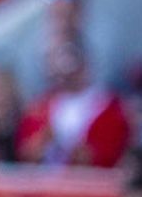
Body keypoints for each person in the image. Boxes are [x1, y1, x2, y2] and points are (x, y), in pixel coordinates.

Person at [17, 40, 130, 169]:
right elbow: (25, 152)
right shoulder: (42, 105)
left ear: (85, 67)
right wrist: (42, 142)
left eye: (72, 70)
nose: (67, 76)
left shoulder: (107, 107)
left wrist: (80, 153)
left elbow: (111, 154)